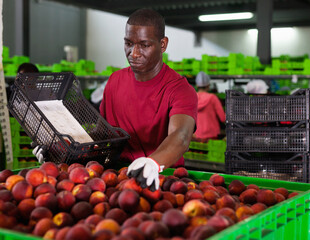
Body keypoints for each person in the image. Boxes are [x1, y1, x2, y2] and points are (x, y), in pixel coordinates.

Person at [33, 9, 198, 191]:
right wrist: (60, 150)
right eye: (128, 43)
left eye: (144, 45)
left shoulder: (180, 89)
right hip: (116, 178)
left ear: (163, 44)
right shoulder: (115, 81)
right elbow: (102, 133)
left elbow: (181, 136)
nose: (133, 53)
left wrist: (153, 164)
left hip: (161, 180)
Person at [193, 71, 225, 141]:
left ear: (197, 85)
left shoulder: (192, 98)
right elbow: (223, 118)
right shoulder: (212, 98)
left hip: (197, 136)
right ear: (208, 85)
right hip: (212, 135)